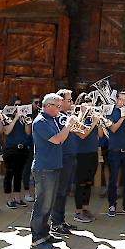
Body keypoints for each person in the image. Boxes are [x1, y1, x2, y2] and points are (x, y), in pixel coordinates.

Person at [30, 93, 77, 249]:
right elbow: (58, 139)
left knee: (48, 204)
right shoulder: (40, 121)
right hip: (44, 168)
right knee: (42, 205)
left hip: (54, 166)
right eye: (57, 106)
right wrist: (69, 125)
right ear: (48, 106)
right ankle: (36, 239)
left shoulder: (52, 119)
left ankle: (45, 234)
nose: (60, 109)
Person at [50, 89, 80, 236]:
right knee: (60, 191)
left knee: (65, 191)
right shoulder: (60, 117)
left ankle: (60, 220)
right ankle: (55, 223)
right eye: (69, 100)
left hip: (70, 156)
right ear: (61, 102)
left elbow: (81, 130)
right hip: (63, 157)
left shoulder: (66, 116)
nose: (72, 102)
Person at [72, 93, 103, 223]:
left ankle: (85, 208)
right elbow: (82, 135)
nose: (90, 108)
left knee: (88, 183)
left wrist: (99, 122)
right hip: (80, 154)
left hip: (92, 152)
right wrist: (93, 122)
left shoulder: (93, 118)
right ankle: (78, 211)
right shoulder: (75, 118)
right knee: (80, 183)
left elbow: (100, 135)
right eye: (87, 105)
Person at [106, 89, 125, 217]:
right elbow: (113, 129)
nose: (122, 102)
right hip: (115, 150)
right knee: (113, 179)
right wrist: (123, 117)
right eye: (120, 99)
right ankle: (112, 205)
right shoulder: (111, 111)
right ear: (116, 99)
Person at [3, 97, 31, 209]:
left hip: (22, 149)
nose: (18, 107)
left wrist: (27, 122)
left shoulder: (23, 118)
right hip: (11, 149)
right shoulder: (6, 117)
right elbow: (6, 131)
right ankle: (9, 199)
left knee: (19, 174)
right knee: (9, 174)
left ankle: (17, 198)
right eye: (16, 105)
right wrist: (15, 118)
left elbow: (28, 133)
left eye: (20, 105)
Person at [22, 95, 40, 203]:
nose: (38, 105)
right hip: (29, 144)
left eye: (39, 102)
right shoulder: (28, 114)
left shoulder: (41, 113)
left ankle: (36, 192)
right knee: (27, 168)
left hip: (38, 144)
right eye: (36, 102)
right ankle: (27, 192)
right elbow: (28, 132)